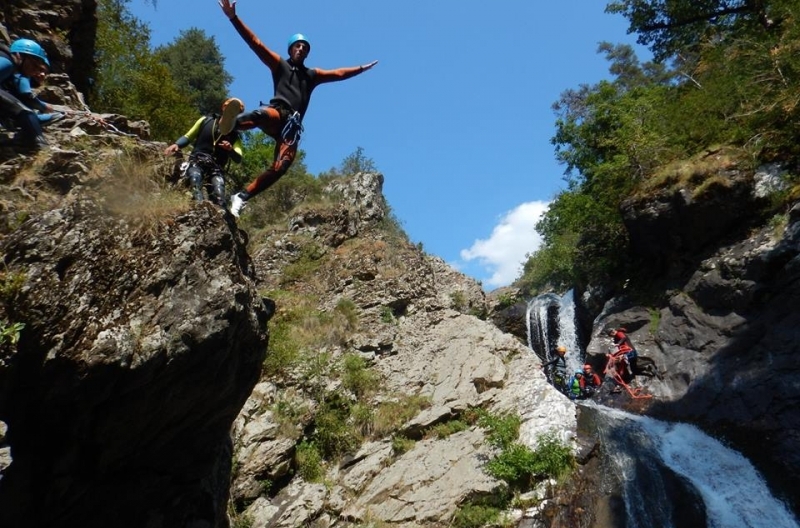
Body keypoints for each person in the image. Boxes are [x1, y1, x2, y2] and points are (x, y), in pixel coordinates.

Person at [218, 0, 379, 217]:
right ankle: (229, 125)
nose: (301, 48)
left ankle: (241, 196)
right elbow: (255, 43)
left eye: (305, 47)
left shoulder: (312, 76)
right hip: (278, 113)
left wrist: (361, 69)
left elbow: (339, 74)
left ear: (306, 53)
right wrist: (233, 18)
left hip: (291, 129)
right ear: (291, 48)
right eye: (298, 45)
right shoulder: (279, 65)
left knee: (281, 167)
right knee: (260, 116)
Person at [164, 98, 245, 208]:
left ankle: (220, 216)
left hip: (216, 168)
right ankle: (199, 207)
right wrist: (177, 144)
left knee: (219, 192)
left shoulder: (235, 136)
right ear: (223, 108)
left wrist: (230, 149)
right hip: (197, 161)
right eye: (229, 109)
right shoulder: (205, 121)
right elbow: (188, 136)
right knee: (194, 179)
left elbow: (238, 158)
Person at [0, 38, 59, 149]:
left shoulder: (10, 74)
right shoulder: (8, 63)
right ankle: (41, 148)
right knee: (25, 112)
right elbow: (25, 99)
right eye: (34, 65)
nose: (35, 70)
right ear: (21, 56)